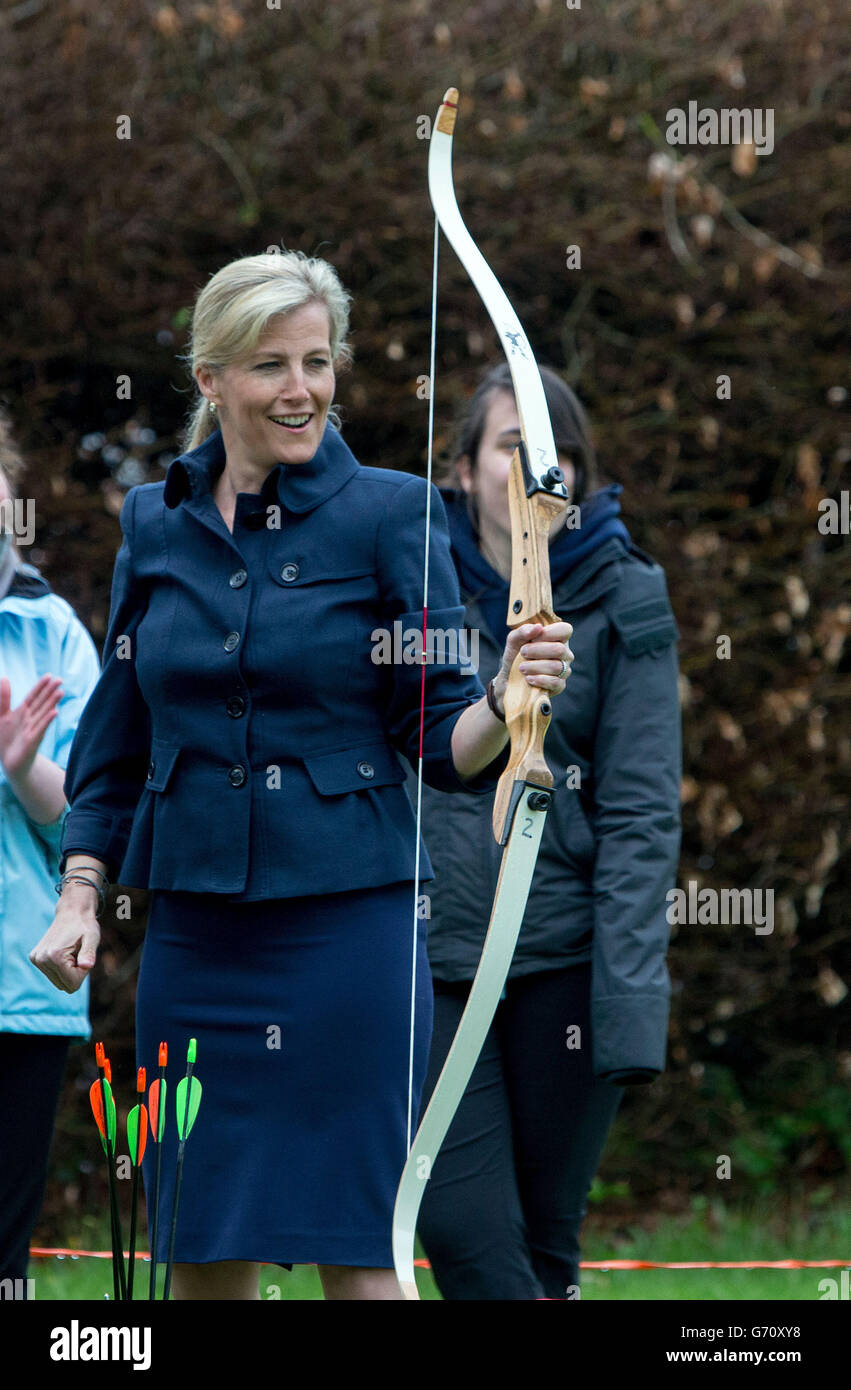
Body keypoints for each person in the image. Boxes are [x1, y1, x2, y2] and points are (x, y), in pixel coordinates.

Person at [28, 251, 573, 1301]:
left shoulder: (390, 512)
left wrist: (506, 704)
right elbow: (117, 738)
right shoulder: (154, 522)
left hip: (349, 936)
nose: (301, 388)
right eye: (270, 364)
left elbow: (436, 739)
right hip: (195, 937)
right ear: (211, 380)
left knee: (358, 1253)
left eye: (317, 361)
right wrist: (82, 890)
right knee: (199, 1252)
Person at [410, 363, 682, 1299]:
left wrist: (628, 997)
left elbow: (642, 811)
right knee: (457, 1221)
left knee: (545, 1238)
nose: (538, 469)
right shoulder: (411, 579)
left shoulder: (624, 592)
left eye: (557, 449)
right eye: (511, 447)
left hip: (563, 957)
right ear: (462, 468)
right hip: (437, 954)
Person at [0, 409, 100, 1293]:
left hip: (17, 990)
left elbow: (92, 820)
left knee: (5, 1248)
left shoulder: (53, 631)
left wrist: (24, 767)